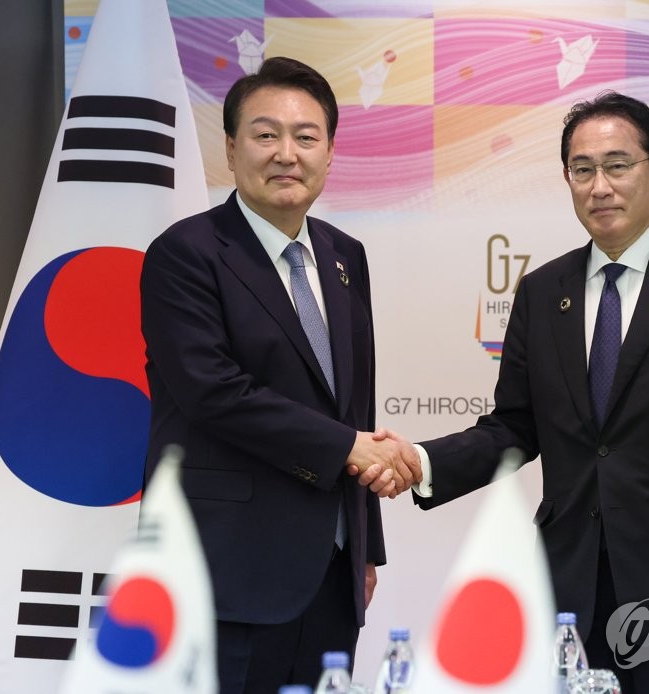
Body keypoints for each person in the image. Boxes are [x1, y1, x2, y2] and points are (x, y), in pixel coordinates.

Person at [366, 92, 649, 693]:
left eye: (618, 165)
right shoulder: (541, 292)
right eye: (582, 170)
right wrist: (421, 462)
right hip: (570, 579)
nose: (599, 186)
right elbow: (514, 427)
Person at [140, 57, 419, 694]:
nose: (286, 153)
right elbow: (214, 392)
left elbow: (354, 405)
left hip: (332, 568)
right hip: (229, 571)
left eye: (306, 136)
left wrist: (366, 548)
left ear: (329, 151)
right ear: (232, 148)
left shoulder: (345, 256)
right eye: (266, 135)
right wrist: (348, 448)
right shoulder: (187, 254)